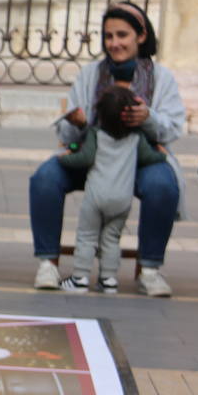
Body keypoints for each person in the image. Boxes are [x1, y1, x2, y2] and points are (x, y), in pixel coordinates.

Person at [28, 2, 183, 297]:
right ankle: (47, 264)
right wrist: (77, 122)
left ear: (140, 36)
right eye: (108, 36)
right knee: (45, 178)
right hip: (92, 159)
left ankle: (149, 270)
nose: (114, 43)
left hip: (140, 160)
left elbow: (174, 128)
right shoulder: (90, 75)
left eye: (122, 35)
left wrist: (148, 118)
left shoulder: (162, 78)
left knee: (164, 185)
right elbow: (65, 131)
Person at [55, 85, 166, 293]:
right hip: (122, 199)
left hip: (96, 196)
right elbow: (148, 157)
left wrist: (65, 159)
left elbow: (84, 158)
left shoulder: (95, 134)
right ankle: (109, 280)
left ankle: (80, 278)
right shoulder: (136, 138)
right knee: (112, 238)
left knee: (87, 236)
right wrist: (162, 154)